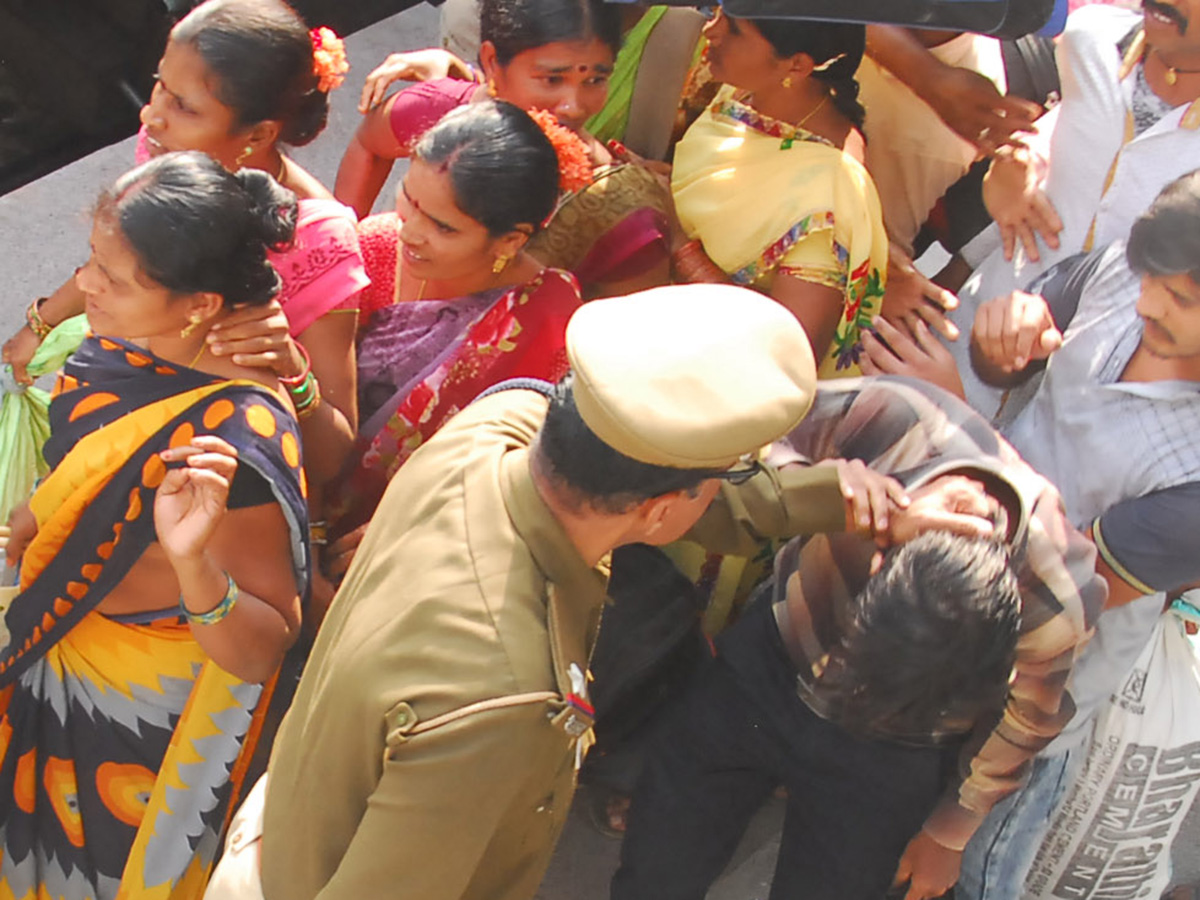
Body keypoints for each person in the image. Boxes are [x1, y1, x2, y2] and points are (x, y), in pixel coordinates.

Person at [611, 375, 1106, 900]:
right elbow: (746, 445)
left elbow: (1024, 722)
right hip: (771, 667)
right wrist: (813, 486)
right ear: (878, 562)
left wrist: (949, 832)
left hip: (892, 756)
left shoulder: (1057, 603)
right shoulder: (890, 418)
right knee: (658, 865)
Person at [0, 152, 310, 900]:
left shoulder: (229, 443)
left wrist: (195, 563)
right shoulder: (122, 340)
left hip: (130, 712)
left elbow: (268, 644)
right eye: (92, 261)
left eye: (115, 276)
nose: (89, 287)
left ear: (200, 304)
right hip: (53, 634)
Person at [1, 0, 367, 610]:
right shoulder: (168, 156)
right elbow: (119, 252)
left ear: (258, 136)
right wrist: (43, 320)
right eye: (158, 87)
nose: (151, 116)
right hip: (117, 419)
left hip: (205, 494)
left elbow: (333, 455)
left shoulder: (319, 243)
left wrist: (292, 370)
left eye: (182, 105)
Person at [948, 171, 1200, 899]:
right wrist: (1005, 341)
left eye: (1182, 300)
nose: (1148, 301)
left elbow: (1065, 590)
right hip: (959, 598)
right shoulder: (1135, 265)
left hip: (1041, 680)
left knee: (977, 868)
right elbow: (1017, 352)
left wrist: (957, 432)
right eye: (1152, 278)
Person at [325, 100, 583, 541]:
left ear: (509, 241)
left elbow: (520, 474)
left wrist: (400, 532)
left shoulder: (548, 317)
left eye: (443, 227)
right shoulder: (374, 248)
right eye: (409, 198)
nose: (410, 231)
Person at [940, 0, 1200, 416]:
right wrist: (1002, 187)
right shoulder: (1088, 40)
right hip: (962, 351)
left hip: (1078, 418)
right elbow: (1045, 179)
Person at [335, 0, 672, 299]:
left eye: (595, 80)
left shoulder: (619, 209)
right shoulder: (443, 111)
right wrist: (341, 250)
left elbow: (624, 336)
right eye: (552, 79)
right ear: (492, 61)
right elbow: (369, 144)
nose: (573, 106)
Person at [666, 9, 888, 377]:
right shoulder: (740, 92)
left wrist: (675, 241)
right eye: (721, 10)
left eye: (734, 28)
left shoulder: (827, 199)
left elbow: (785, 360)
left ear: (797, 66)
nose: (711, 28)